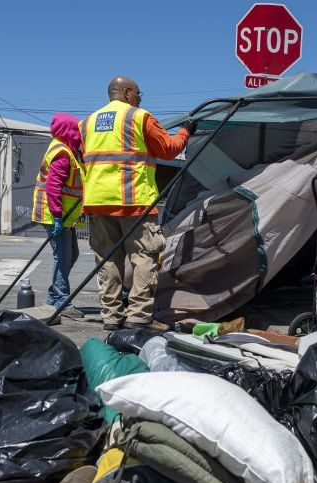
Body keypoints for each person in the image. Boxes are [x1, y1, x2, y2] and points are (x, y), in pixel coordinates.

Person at [80, 76, 195, 331]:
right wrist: (187, 131)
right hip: (132, 201)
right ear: (127, 92)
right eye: (139, 93)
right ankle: (139, 316)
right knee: (144, 258)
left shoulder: (86, 123)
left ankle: (111, 316)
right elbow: (168, 149)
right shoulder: (138, 117)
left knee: (108, 261)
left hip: (97, 202)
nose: (141, 98)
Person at [32, 113, 85, 319]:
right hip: (55, 213)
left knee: (72, 255)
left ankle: (54, 296)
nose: (79, 135)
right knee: (62, 256)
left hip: (65, 214)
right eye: (76, 131)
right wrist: (56, 216)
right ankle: (62, 300)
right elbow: (53, 187)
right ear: (68, 131)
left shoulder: (67, 150)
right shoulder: (62, 153)